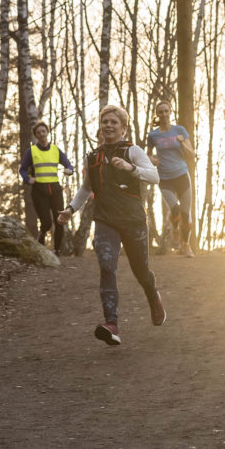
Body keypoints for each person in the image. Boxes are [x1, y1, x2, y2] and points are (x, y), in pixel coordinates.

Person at [57, 104, 166, 345]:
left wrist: (131, 168)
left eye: (113, 122)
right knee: (107, 265)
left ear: (123, 128)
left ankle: (152, 295)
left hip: (133, 220)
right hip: (105, 220)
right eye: (104, 121)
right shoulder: (93, 157)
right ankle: (112, 324)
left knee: (141, 272)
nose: (108, 125)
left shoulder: (133, 151)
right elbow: (87, 188)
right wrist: (70, 209)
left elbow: (154, 177)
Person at [146, 100, 196, 257]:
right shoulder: (153, 135)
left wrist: (182, 143)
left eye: (166, 111)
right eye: (160, 112)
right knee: (174, 208)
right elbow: (147, 154)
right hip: (165, 177)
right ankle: (175, 230)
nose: (164, 114)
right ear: (157, 114)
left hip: (182, 175)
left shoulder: (179, 131)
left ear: (170, 112)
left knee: (186, 212)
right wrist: (152, 160)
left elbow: (191, 154)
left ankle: (186, 245)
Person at [19, 120, 74, 252]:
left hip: (55, 189)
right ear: (36, 136)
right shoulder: (31, 151)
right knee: (46, 223)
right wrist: (28, 179)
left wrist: (69, 171)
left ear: (47, 132)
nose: (41, 134)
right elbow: (22, 169)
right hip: (39, 191)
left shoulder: (55, 150)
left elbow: (69, 165)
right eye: (38, 132)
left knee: (59, 220)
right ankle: (42, 234)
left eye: (43, 131)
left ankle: (57, 250)